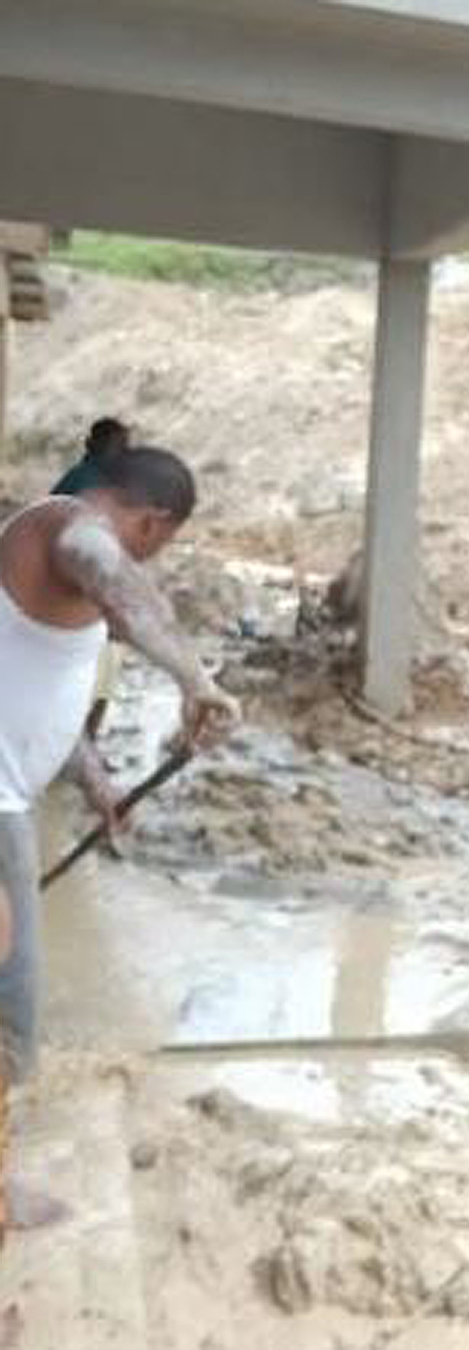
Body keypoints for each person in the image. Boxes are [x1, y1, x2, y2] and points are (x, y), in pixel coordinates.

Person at [0, 444, 240, 1246]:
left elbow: (27, 695)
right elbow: (114, 578)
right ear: (151, 523)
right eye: (156, 547)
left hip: (8, 798)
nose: (145, 561)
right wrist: (195, 677)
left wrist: (96, 781)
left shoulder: (43, 584)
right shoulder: (67, 531)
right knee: (7, 1013)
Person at [53, 418, 134, 739]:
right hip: (79, 591)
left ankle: (81, 735)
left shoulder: (85, 479)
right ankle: (84, 736)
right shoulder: (89, 483)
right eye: (120, 446)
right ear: (98, 445)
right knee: (102, 662)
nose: (125, 453)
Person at [51, 416, 131, 498]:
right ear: (98, 445)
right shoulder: (88, 477)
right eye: (120, 445)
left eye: (125, 444)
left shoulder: (82, 471)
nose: (126, 451)